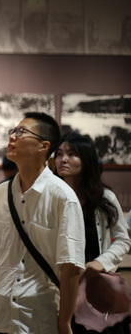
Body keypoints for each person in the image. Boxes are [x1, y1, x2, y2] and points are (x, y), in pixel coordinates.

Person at [0, 112, 86, 333]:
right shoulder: (0, 193)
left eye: (21, 132)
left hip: (39, 317)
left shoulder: (63, 197)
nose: (12, 137)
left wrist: (65, 322)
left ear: (44, 146)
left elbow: (70, 267)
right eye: (13, 131)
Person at [54, 131, 131, 333]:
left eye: (72, 154)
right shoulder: (51, 198)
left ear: (86, 160)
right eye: (59, 154)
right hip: (61, 285)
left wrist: (100, 263)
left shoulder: (104, 198)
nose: (63, 159)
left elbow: (123, 240)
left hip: (96, 285)